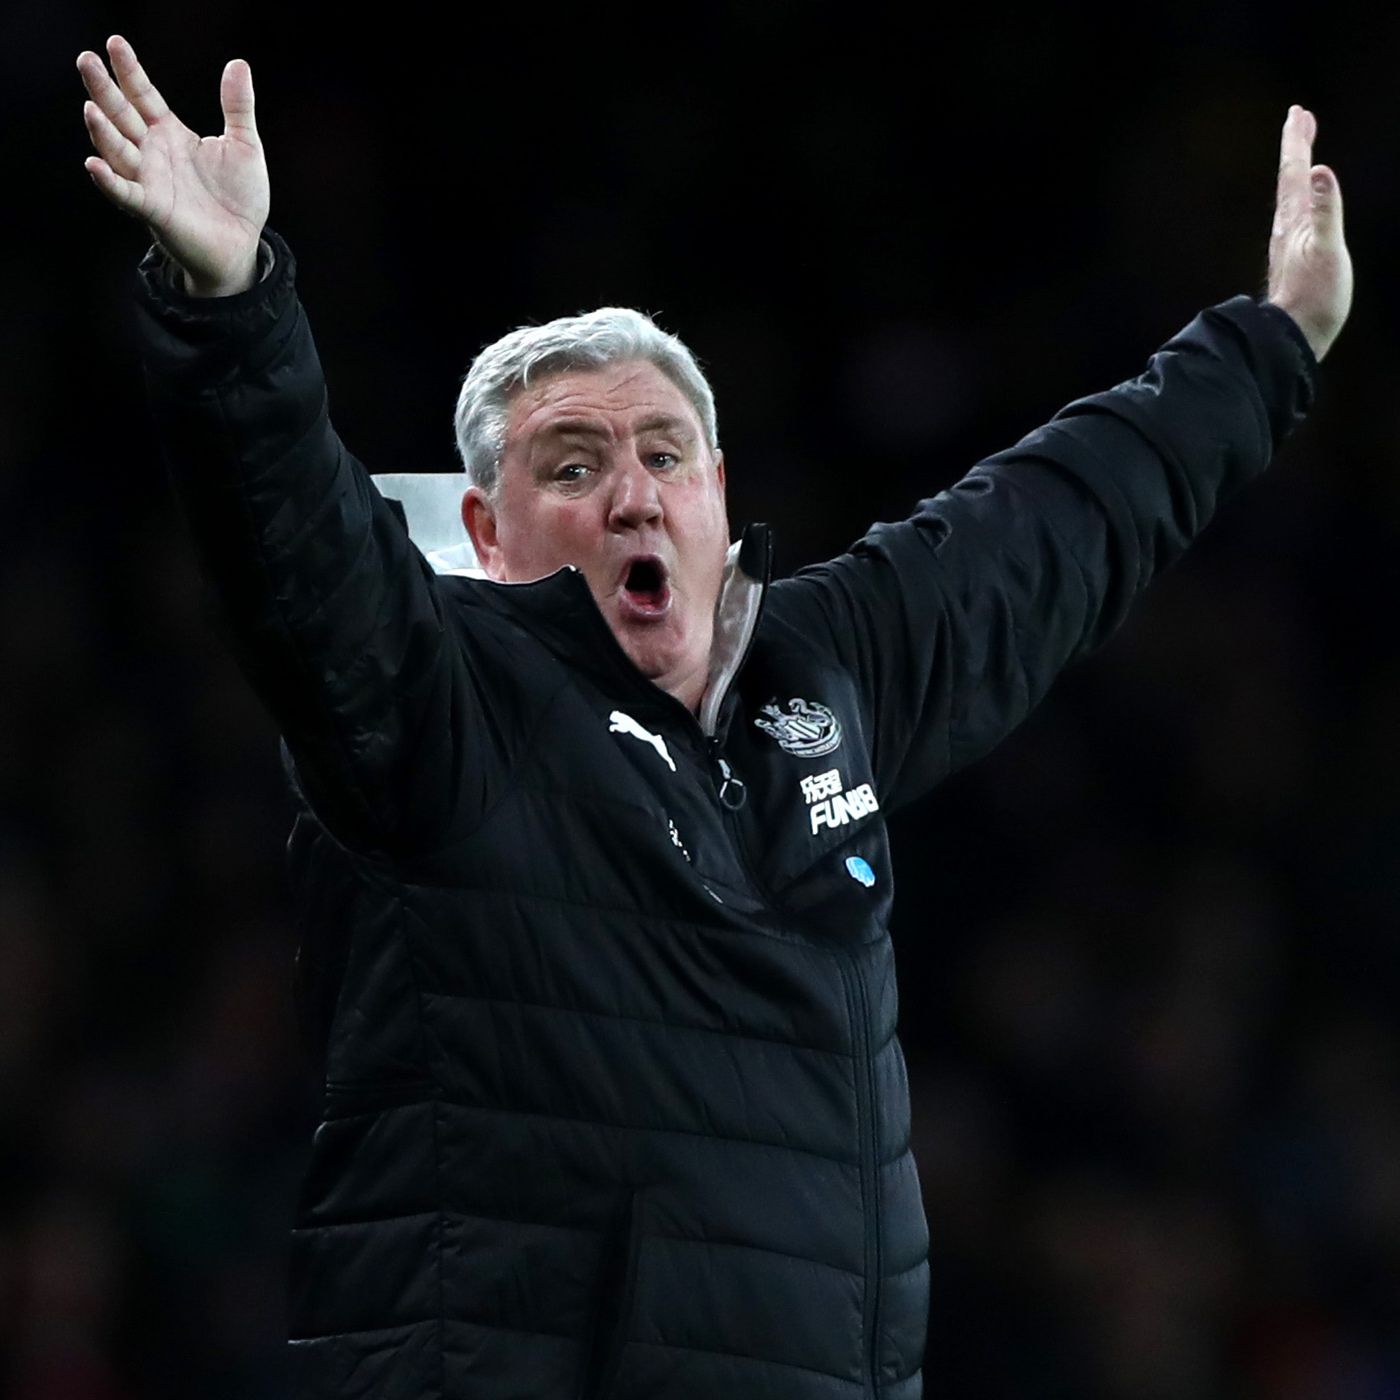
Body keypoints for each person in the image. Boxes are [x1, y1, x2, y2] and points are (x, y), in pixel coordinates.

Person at [77, 33, 1351, 1400]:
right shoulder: (437, 698)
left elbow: (1049, 529)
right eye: (575, 466)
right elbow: (293, 544)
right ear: (489, 533)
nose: (633, 493)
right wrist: (233, 307)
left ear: (718, 495)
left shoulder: (823, 669)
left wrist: (1275, 339)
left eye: (663, 455)